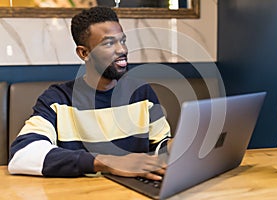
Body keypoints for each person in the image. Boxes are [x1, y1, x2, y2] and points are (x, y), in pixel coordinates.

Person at [8, 6, 172, 181]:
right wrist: (107, 162)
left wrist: (176, 146)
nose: (122, 50)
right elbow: (22, 155)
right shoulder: (57, 100)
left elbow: (160, 146)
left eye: (122, 41)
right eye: (109, 43)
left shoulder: (142, 93)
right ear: (84, 53)